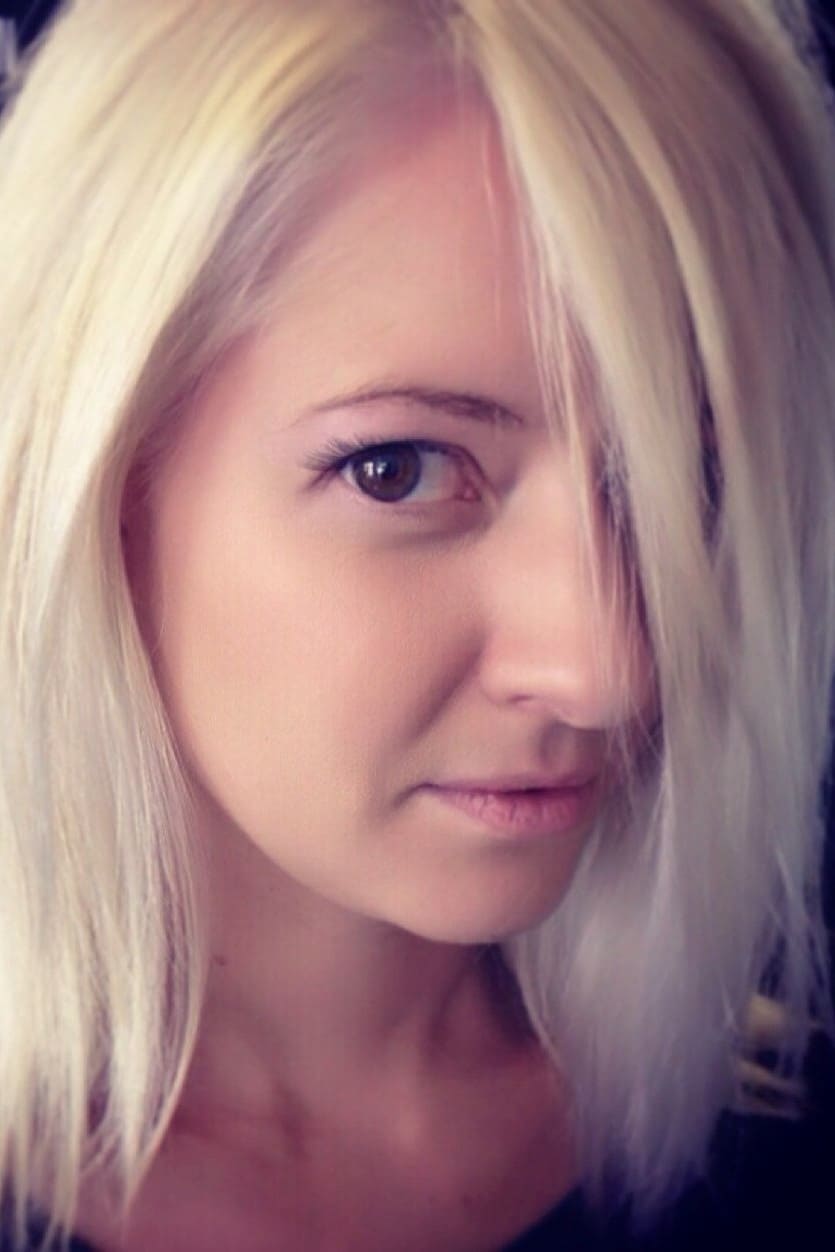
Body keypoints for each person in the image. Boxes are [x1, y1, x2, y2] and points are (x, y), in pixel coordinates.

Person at [1, 1, 834, 1248]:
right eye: (398, 470)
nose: (607, 669)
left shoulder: (784, 1152)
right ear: (97, 481)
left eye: (689, 477)